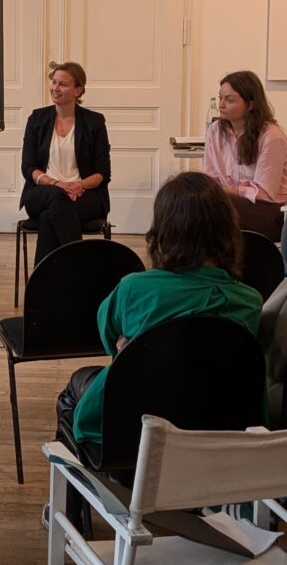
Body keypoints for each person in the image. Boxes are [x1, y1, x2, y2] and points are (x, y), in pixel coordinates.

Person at [56, 172, 262, 447]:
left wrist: (131, 350)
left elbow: (108, 341)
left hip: (133, 431)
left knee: (74, 393)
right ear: (228, 231)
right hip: (219, 430)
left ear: (163, 230)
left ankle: (85, 470)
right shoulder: (250, 302)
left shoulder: (132, 290)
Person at [20, 61, 111, 266]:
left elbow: (103, 173)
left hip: (84, 195)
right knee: (55, 197)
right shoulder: (37, 118)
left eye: (63, 84)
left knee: (49, 217)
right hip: (43, 192)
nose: (55, 88)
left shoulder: (94, 121)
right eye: (54, 82)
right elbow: (28, 168)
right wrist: (57, 184)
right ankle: (79, 268)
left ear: (78, 90)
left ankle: (43, 280)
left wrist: (78, 185)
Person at [203, 70, 287, 242]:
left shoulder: (271, 135)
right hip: (231, 203)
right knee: (187, 199)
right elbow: (210, 178)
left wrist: (227, 192)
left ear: (250, 105)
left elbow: (265, 194)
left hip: (271, 210)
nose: (221, 105)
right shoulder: (215, 131)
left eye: (229, 100)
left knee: (214, 210)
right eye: (220, 98)